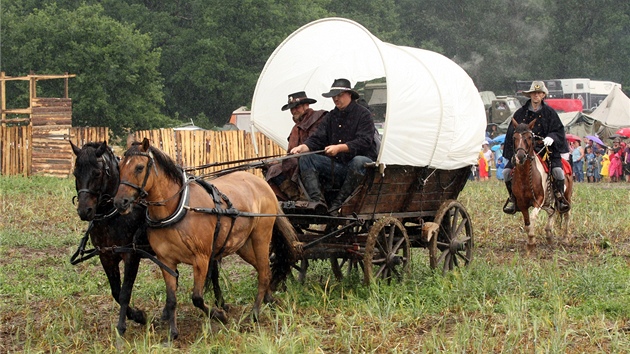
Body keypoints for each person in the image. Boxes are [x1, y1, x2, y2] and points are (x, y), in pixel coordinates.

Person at [291, 78, 378, 215]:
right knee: (306, 159)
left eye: (339, 95)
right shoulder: (331, 116)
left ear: (349, 94)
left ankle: (338, 204)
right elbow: (318, 138)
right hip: (338, 167)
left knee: (359, 161)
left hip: (362, 169)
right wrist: (304, 147)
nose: (335, 99)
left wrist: (340, 147)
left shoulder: (363, 114)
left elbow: (364, 141)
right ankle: (318, 203)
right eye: (333, 96)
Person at [502, 81, 571, 214]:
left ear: (543, 95)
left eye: (539, 93)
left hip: (546, 150)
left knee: (558, 172)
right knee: (505, 173)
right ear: (530, 95)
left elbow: (558, 130)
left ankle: (560, 198)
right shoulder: (520, 113)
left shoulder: (550, 113)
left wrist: (552, 137)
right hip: (524, 151)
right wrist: (514, 151)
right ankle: (513, 198)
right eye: (534, 93)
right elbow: (512, 133)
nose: (536, 95)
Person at [265, 91, 327, 201]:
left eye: (297, 107)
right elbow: (291, 152)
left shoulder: (319, 118)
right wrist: (280, 161)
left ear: (306, 105)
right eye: (292, 108)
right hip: (294, 162)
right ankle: (293, 198)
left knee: (298, 162)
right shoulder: (295, 128)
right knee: (273, 169)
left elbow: (317, 143)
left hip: (317, 161)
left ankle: (311, 199)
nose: (294, 111)